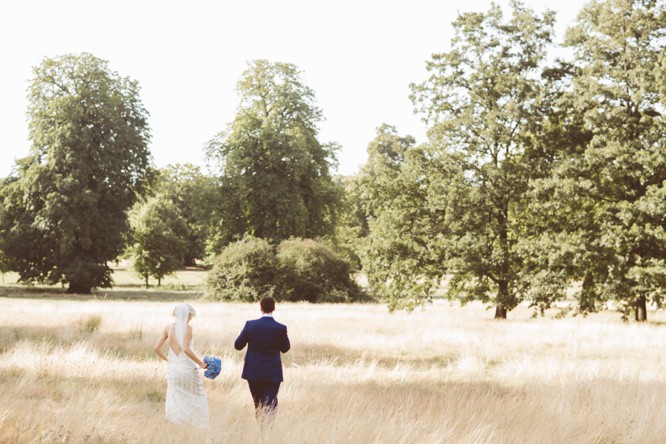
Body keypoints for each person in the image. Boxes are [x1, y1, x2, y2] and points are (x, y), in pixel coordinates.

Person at [154, 303, 209, 428]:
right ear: (187, 315)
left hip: (173, 370)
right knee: (199, 398)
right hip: (188, 370)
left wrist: (168, 360)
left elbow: (156, 348)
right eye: (191, 316)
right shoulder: (188, 328)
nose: (191, 319)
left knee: (176, 400)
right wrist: (201, 363)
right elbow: (185, 349)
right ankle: (199, 427)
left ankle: (178, 427)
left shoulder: (168, 328)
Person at [234, 297, 290, 420]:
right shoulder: (280, 328)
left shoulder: (250, 325)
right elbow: (285, 348)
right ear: (274, 308)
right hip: (272, 373)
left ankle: (261, 431)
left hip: (253, 371)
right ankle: (268, 431)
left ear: (261, 308)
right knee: (270, 404)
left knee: (258, 404)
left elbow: (238, 346)